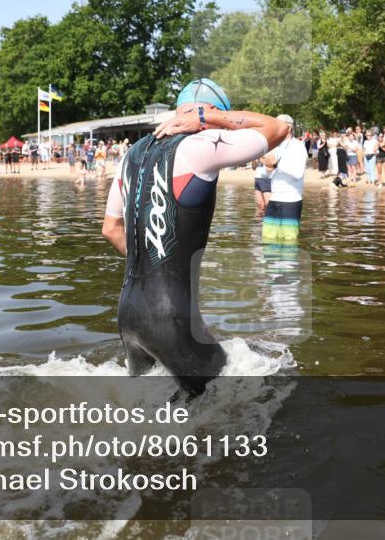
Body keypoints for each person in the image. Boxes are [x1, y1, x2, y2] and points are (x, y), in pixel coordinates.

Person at [101, 79, 289, 396]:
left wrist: (157, 274)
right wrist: (209, 119)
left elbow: (110, 228)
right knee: (239, 399)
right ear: (208, 112)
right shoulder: (201, 144)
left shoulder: (132, 153)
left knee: (146, 416)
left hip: (128, 314)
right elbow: (278, 128)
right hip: (171, 318)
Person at [262, 114, 308, 243]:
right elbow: (268, 174)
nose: (274, 128)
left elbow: (297, 174)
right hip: (274, 198)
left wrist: (276, 164)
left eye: (277, 125)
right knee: (268, 240)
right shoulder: (275, 146)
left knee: (289, 243)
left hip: (291, 200)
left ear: (288, 128)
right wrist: (267, 167)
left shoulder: (298, 146)